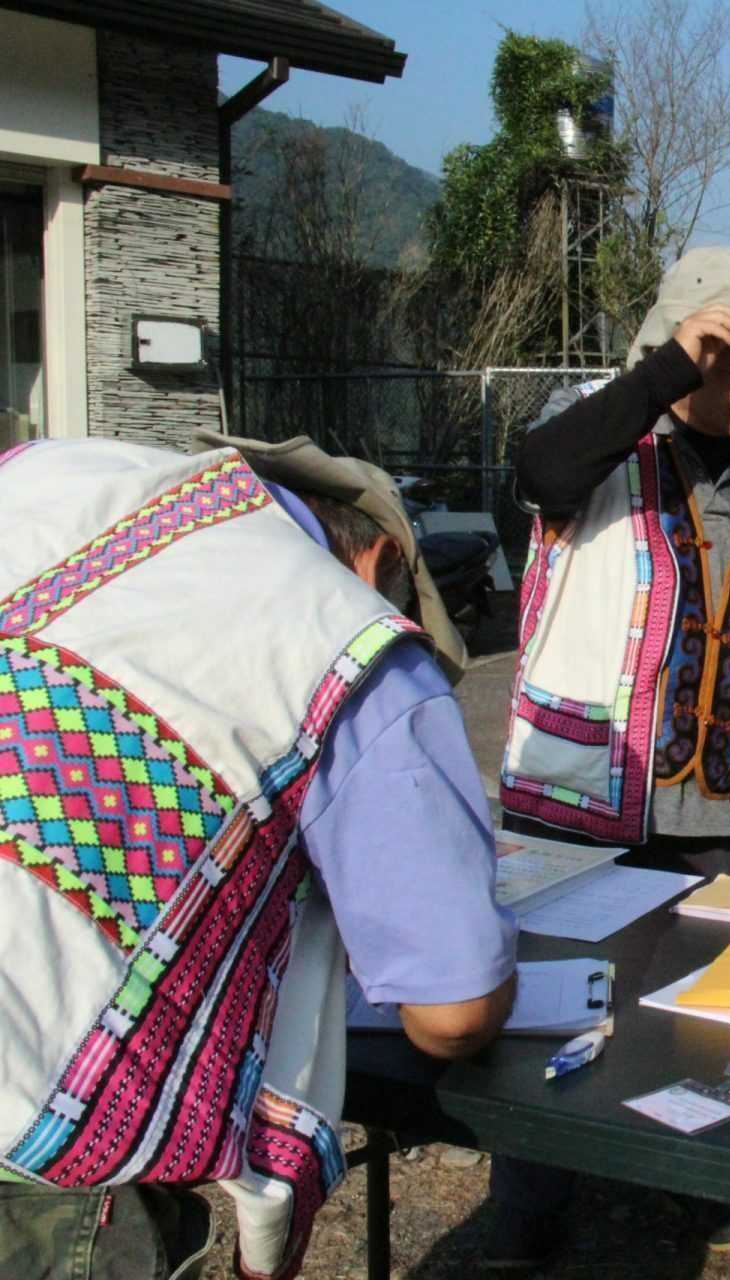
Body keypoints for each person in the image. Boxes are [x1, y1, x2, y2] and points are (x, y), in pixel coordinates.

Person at [0, 431, 516, 1280]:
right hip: (35, 1140)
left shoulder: (56, 480)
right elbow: (452, 1010)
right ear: (382, 557)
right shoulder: (346, 633)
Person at [490, 246, 730, 1262]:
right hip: (582, 787)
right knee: (557, 1001)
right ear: (681, 351)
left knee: (706, 996)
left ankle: (702, 1178)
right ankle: (529, 1204)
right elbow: (535, 472)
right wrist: (664, 371)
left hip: (716, 793)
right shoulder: (606, 443)